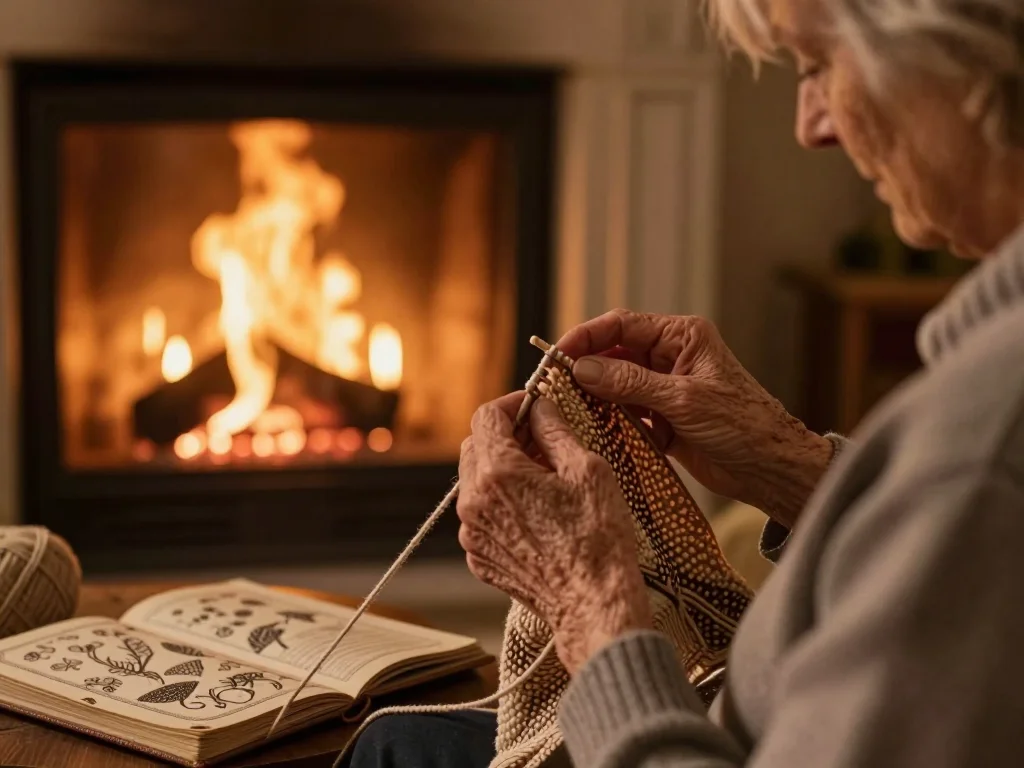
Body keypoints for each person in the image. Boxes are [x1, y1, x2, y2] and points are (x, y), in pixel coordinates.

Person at [346, 0, 1024, 764]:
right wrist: (792, 464)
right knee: (402, 738)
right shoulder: (982, 428)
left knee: (396, 750)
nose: (812, 125)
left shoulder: (980, 455)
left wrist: (589, 601)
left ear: (963, 60)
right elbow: (944, 579)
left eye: (817, 64)